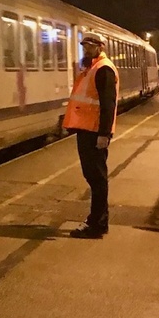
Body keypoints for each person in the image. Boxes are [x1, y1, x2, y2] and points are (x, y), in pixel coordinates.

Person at [63, 32, 119, 239]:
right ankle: (99, 222)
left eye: (90, 46)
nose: (86, 49)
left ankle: (96, 224)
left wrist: (104, 134)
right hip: (87, 130)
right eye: (84, 46)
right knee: (94, 177)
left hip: (95, 133)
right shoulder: (91, 69)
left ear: (100, 47)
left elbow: (108, 104)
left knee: (97, 178)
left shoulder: (103, 69)